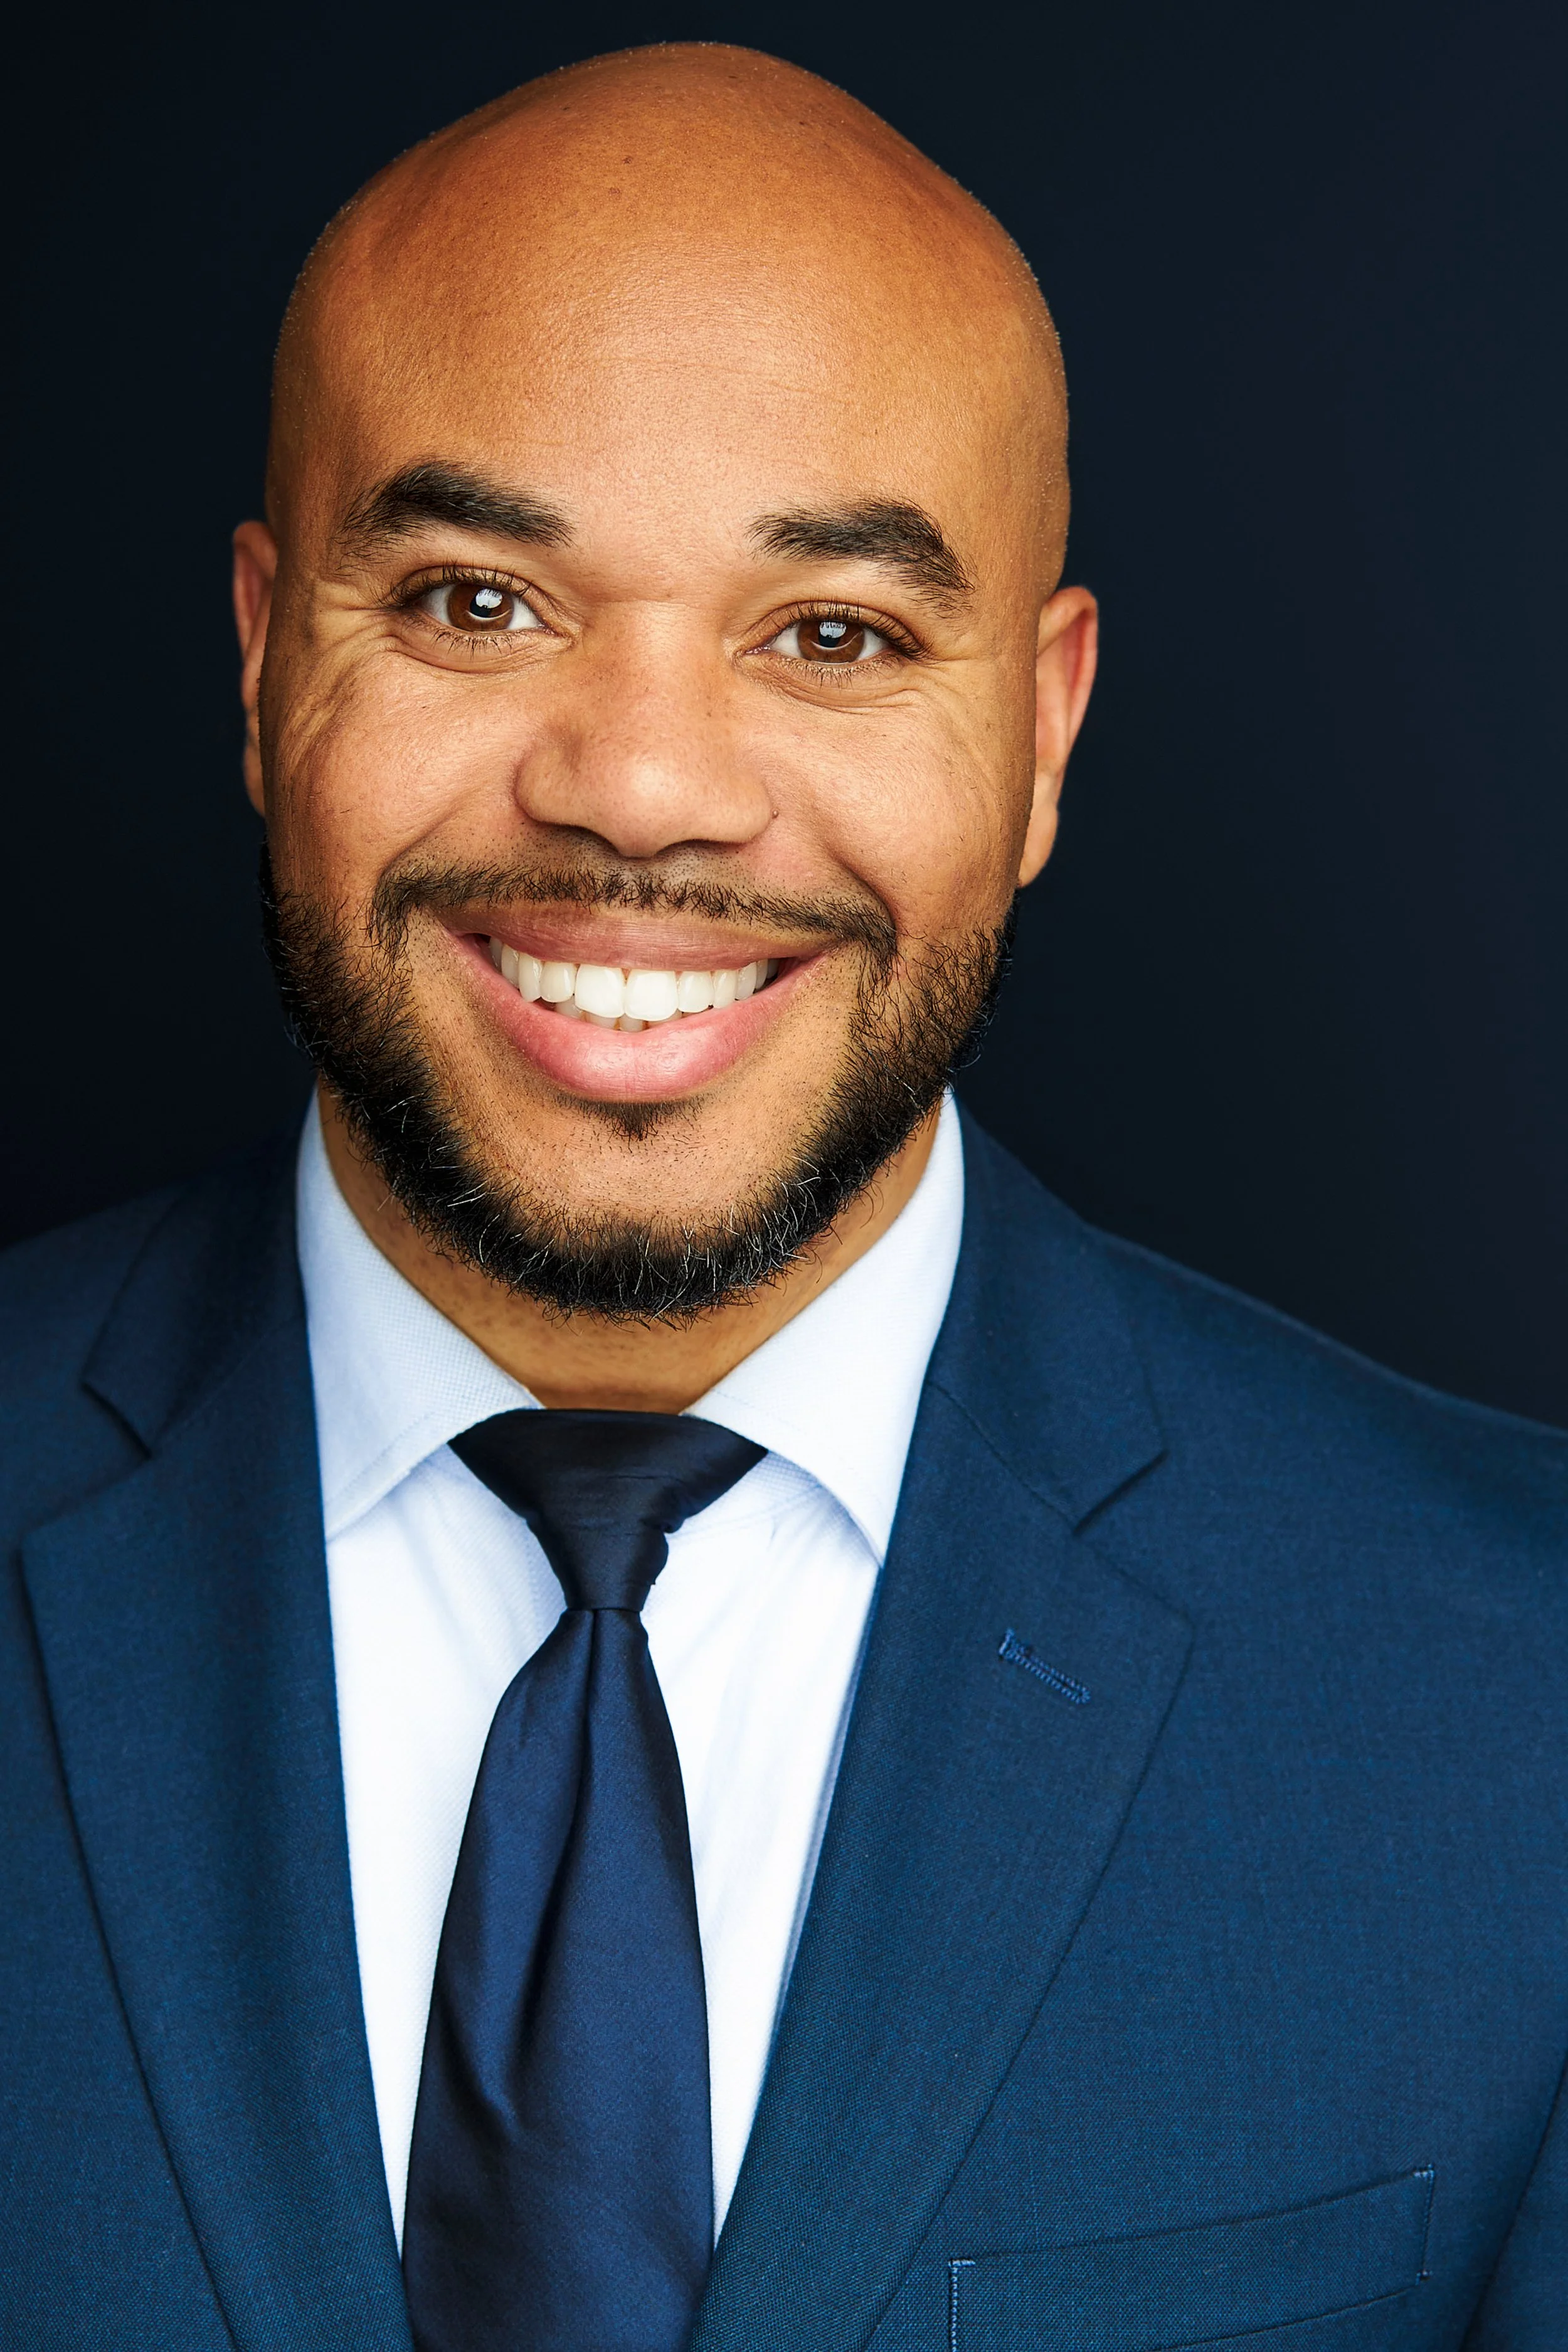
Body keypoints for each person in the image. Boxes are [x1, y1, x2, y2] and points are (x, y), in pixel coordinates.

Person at [2, 41, 1562, 2351]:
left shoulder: (1520, 1690)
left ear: (1038, 733)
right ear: (258, 663)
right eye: (469, 601)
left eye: (830, 633)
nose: (638, 787)